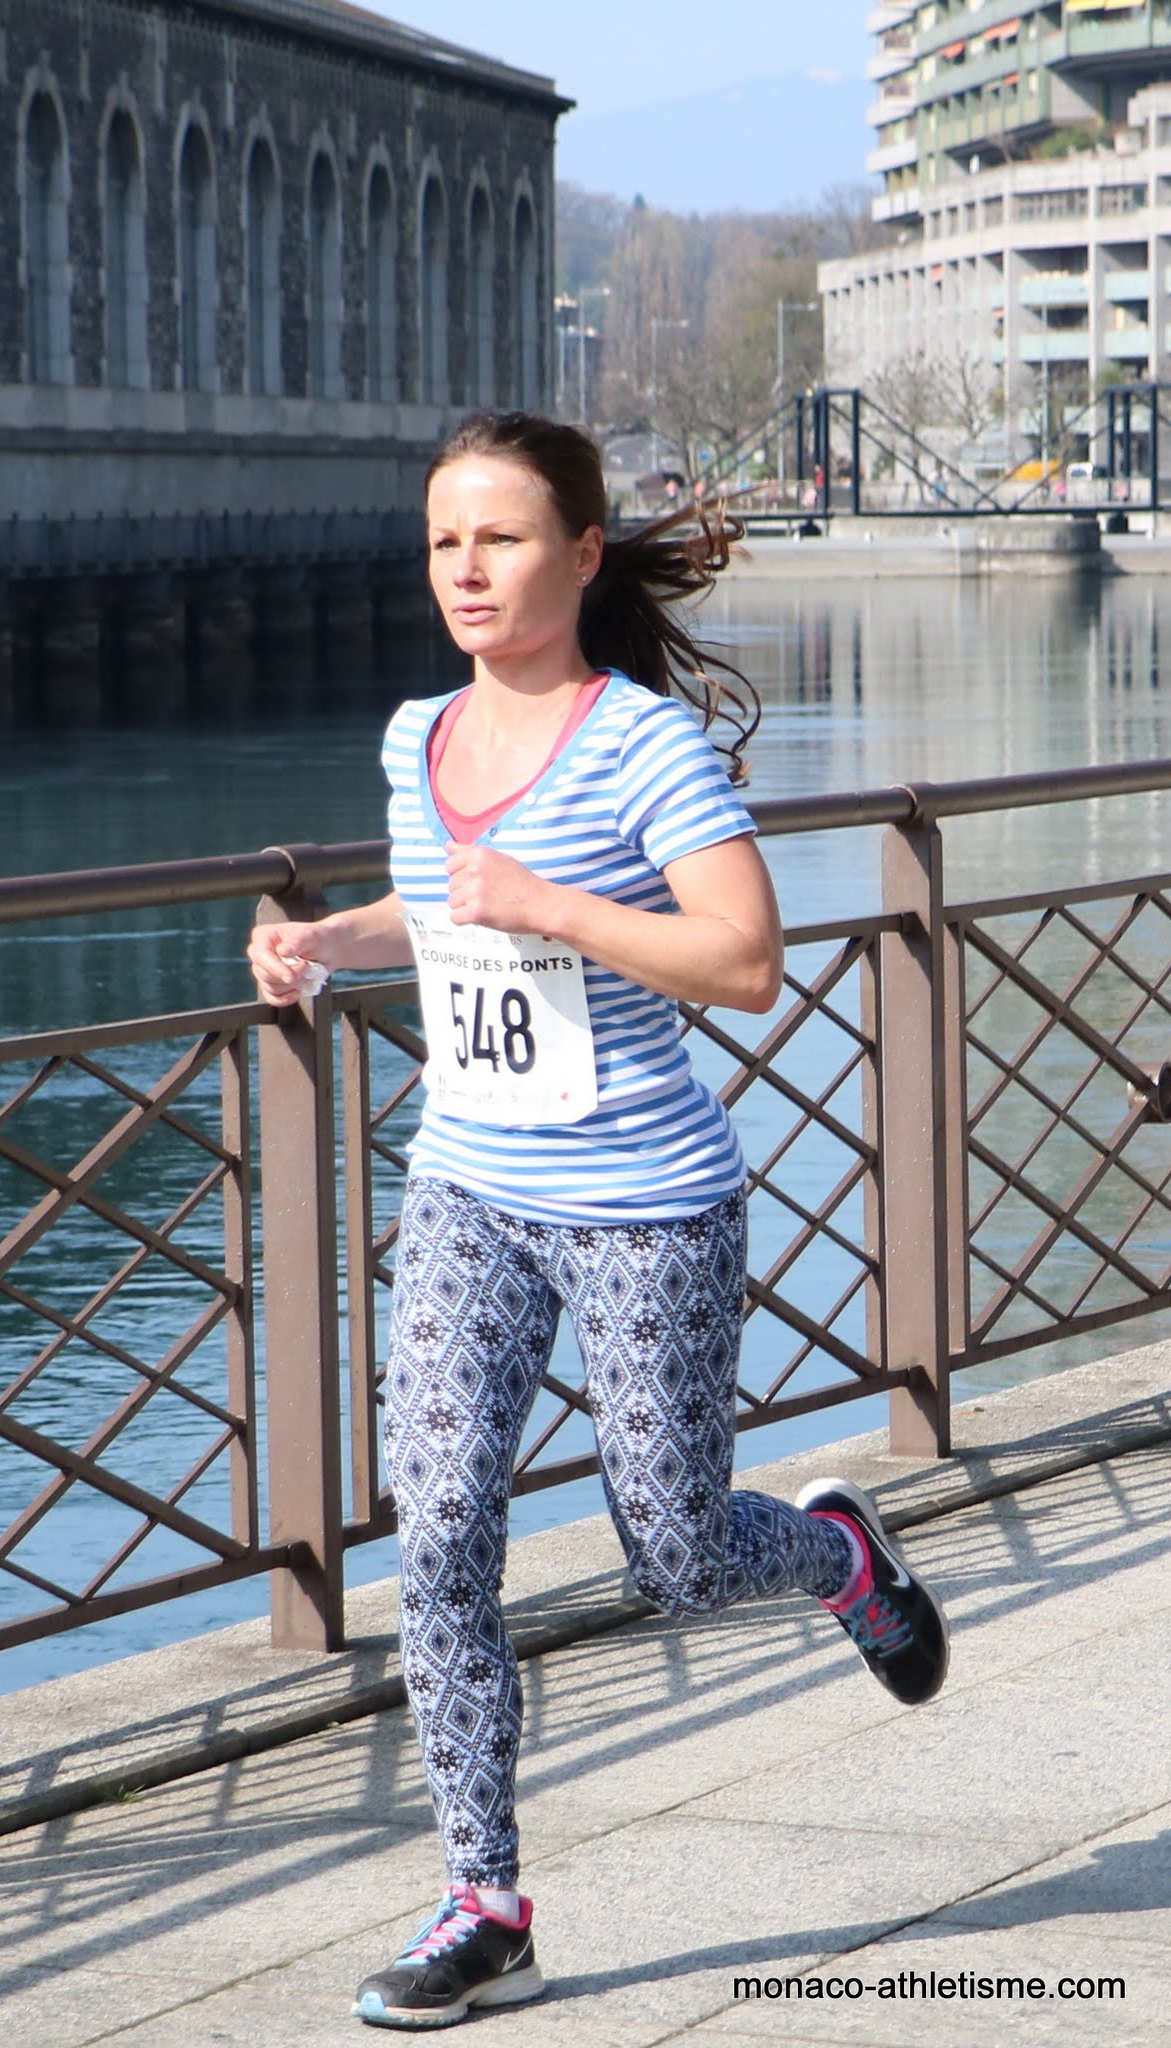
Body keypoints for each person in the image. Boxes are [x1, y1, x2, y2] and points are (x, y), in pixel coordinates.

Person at [247, 411, 948, 2031]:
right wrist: (326, 943)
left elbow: (745, 960)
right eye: (442, 541)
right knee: (437, 1536)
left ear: (577, 553)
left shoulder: (643, 748)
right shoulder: (417, 737)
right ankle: (483, 1906)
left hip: (644, 1207)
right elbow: (444, 918)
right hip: (468, 1189)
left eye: (498, 538)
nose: (465, 570)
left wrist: (550, 902)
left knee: (677, 1556)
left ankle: (839, 1554)